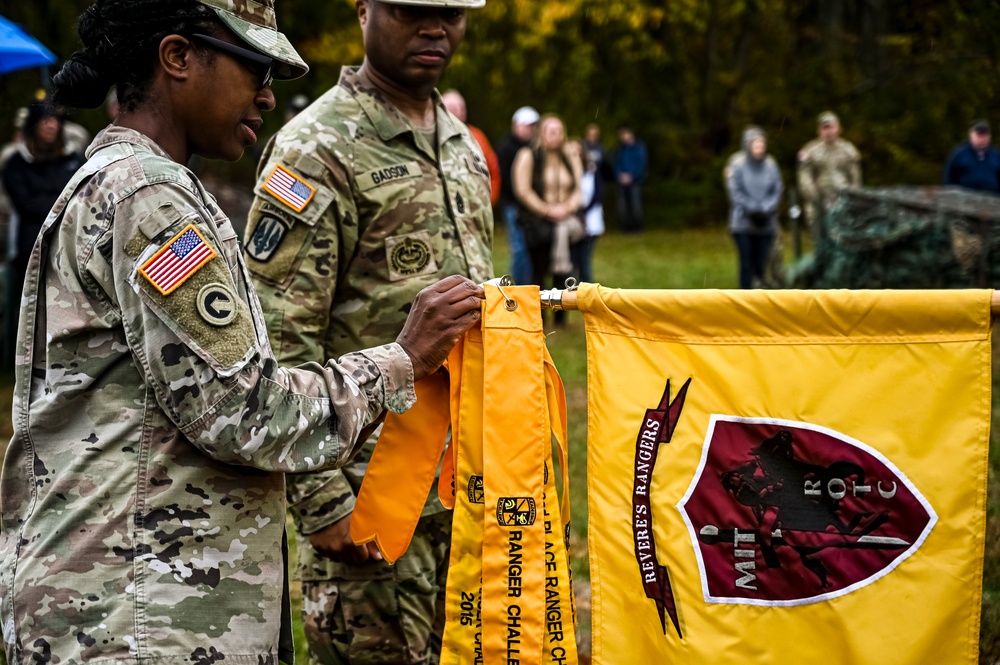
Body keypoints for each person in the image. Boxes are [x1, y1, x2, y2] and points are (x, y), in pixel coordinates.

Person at [0, 1, 484, 663]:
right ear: (176, 58)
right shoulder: (149, 199)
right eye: (254, 67)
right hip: (142, 613)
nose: (265, 93)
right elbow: (247, 410)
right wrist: (403, 358)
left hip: (144, 601)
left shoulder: (134, 185)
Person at [242, 1, 493, 663]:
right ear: (363, 11)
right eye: (414, 11)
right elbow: (274, 341)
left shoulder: (464, 146)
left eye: (453, 15)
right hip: (369, 504)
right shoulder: (314, 148)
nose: (437, 28)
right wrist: (324, 504)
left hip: (465, 497)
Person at [2, 101, 86, 367]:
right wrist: (60, 201)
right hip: (29, 251)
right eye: (44, 119)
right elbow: (25, 205)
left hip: (71, 246)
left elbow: (83, 197)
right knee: (25, 312)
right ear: (32, 125)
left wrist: (50, 201)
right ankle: (16, 362)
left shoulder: (74, 159)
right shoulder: (16, 163)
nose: (50, 124)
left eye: (55, 119)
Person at [512, 113, 584, 324]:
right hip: (538, 223)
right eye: (551, 131)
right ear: (542, 133)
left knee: (564, 271)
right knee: (539, 271)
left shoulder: (570, 156)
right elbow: (522, 189)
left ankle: (562, 317)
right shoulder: (528, 155)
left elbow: (579, 188)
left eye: (559, 131)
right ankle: (540, 316)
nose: (555, 135)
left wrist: (566, 208)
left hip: (565, 223)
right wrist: (546, 210)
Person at [727, 126, 783, 289]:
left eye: (762, 143)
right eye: (756, 143)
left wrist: (765, 209)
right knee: (746, 263)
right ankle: (744, 296)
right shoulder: (736, 163)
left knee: (761, 264)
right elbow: (735, 191)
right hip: (743, 223)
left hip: (766, 223)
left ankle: (759, 297)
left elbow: (778, 189)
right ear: (747, 145)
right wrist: (752, 209)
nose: (760, 147)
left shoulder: (771, 164)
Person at [797, 111, 861, 238]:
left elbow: (855, 179)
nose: (828, 132)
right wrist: (818, 199)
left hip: (843, 204)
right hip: (818, 207)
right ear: (819, 130)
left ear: (838, 129)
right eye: (824, 128)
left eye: (831, 127)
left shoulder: (848, 150)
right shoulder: (810, 151)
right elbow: (804, 179)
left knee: (844, 241)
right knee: (821, 242)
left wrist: (852, 199)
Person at [496, 105, 539, 285]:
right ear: (516, 125)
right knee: (519, 248)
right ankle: (516, 288)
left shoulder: (536, 148)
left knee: (530, 249)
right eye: (526, 125)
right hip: (513, 206)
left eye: (532, 126)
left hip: (532, 206)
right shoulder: (506, 148)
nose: (529, 129)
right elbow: (504, 179)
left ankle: (528, 286)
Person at [443, 88, 501, 205]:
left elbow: (493, 172)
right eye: (453, 108)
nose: (459, 112)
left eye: (462, 108)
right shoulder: (431, 137)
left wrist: (488, 202)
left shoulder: (478, 136)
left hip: (476, 211)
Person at [573, 137, 605, 284]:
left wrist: (583, 211)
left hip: (590, 220)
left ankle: (586, 287)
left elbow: (598, 194)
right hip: (572, 220)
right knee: (574, 258)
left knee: (584, 258)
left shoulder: (592, 171)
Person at [943, 119, 1000, 194]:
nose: (982, 138)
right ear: (971, 134)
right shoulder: (959, 154)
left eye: (984, 135)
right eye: (979, 134)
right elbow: (949, 180)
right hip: (963, 201)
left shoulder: (996, 155)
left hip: (992, 201)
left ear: (989, 136)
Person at [613, 125, 648, 233]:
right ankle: (625, 227)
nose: (622, 137)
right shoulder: (620, 149)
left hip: (635, 181)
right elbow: (616, 163)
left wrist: (632, 176)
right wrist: (620, 175)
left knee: (635, 205)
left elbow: (641, 164)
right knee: (623, 206)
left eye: (624, 134)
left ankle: (637, 227)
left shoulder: (639, 148)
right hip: (622, 181)